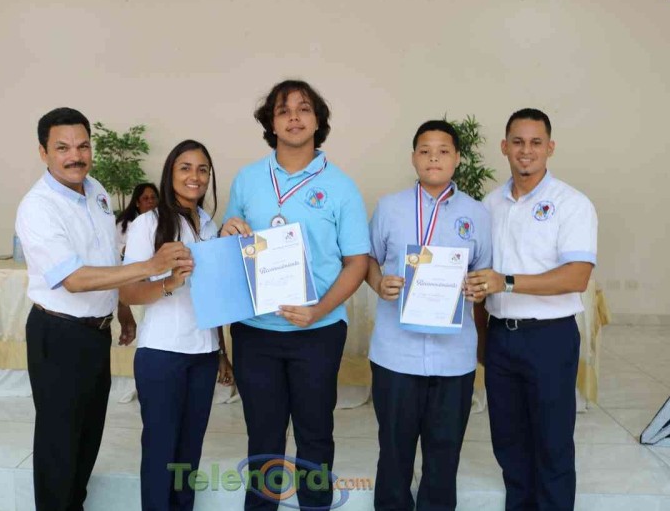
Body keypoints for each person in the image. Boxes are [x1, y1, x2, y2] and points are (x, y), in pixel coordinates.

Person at [15, 107, 192, 511]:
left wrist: (122, 307)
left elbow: (105, 258)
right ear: (43, 152)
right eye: (63, 148)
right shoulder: (38, 206)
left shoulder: (94, 190)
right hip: (58, 335)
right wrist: (150, 266)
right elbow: (74, 279)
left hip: (95, 334)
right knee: (59, 444)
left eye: (82, 146)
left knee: (87, 435)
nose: (75, 156)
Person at [221, 80, 370, 510]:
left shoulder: (341, 186)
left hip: (318, 332)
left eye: (303, 109)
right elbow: (231, 249)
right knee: (263, 438)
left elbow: (357, 262)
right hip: (255, 331)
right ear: (271, 123)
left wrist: (318, 310)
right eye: (283, 110)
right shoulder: (248, 179)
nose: (293, 117)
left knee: (315, 435)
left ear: (318, 120)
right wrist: (228, 232)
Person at [465, 108, 597, 511]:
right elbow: (480, 278)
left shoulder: (572, 204)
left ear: (550, 148)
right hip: (501, 337)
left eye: (536, 142)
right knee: (509, 443)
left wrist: (506, 281)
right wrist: (483, 337)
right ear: (504, 147)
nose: (526, 150)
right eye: (518, 142)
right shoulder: (488, 205)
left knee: (552, 444)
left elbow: (577, 276)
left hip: (549, 337)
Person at [366, 120, 492, 511]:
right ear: (413, 158)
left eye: (443, 151)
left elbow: (485, 272)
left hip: (453, 358)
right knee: (394, 450)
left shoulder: (477, 213)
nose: (433, 158)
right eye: (425, 150)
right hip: (395, 354)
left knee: (444, 452)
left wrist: (477, 287)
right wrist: (379, 282)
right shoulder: (390, 208)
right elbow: (366, 259)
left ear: (457, 158)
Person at [120, 139, 234, 511]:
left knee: (189, 452)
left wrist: (221, 353)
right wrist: (169, 282)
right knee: (161, 450)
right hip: (162, 353)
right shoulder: (148, 224)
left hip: (203, 355)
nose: (194, 176)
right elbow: (129, 292)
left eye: (202, 169)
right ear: (170, 173)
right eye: (185, 167)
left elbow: (214, 298)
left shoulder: (211, 225)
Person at [116, 182, 159, 255]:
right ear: (137, 203)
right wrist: (126, 249)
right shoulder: (126, 224)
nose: (150, 201)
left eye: (153, 198)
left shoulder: (164, 221)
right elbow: (115, 245)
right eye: (145, 198)